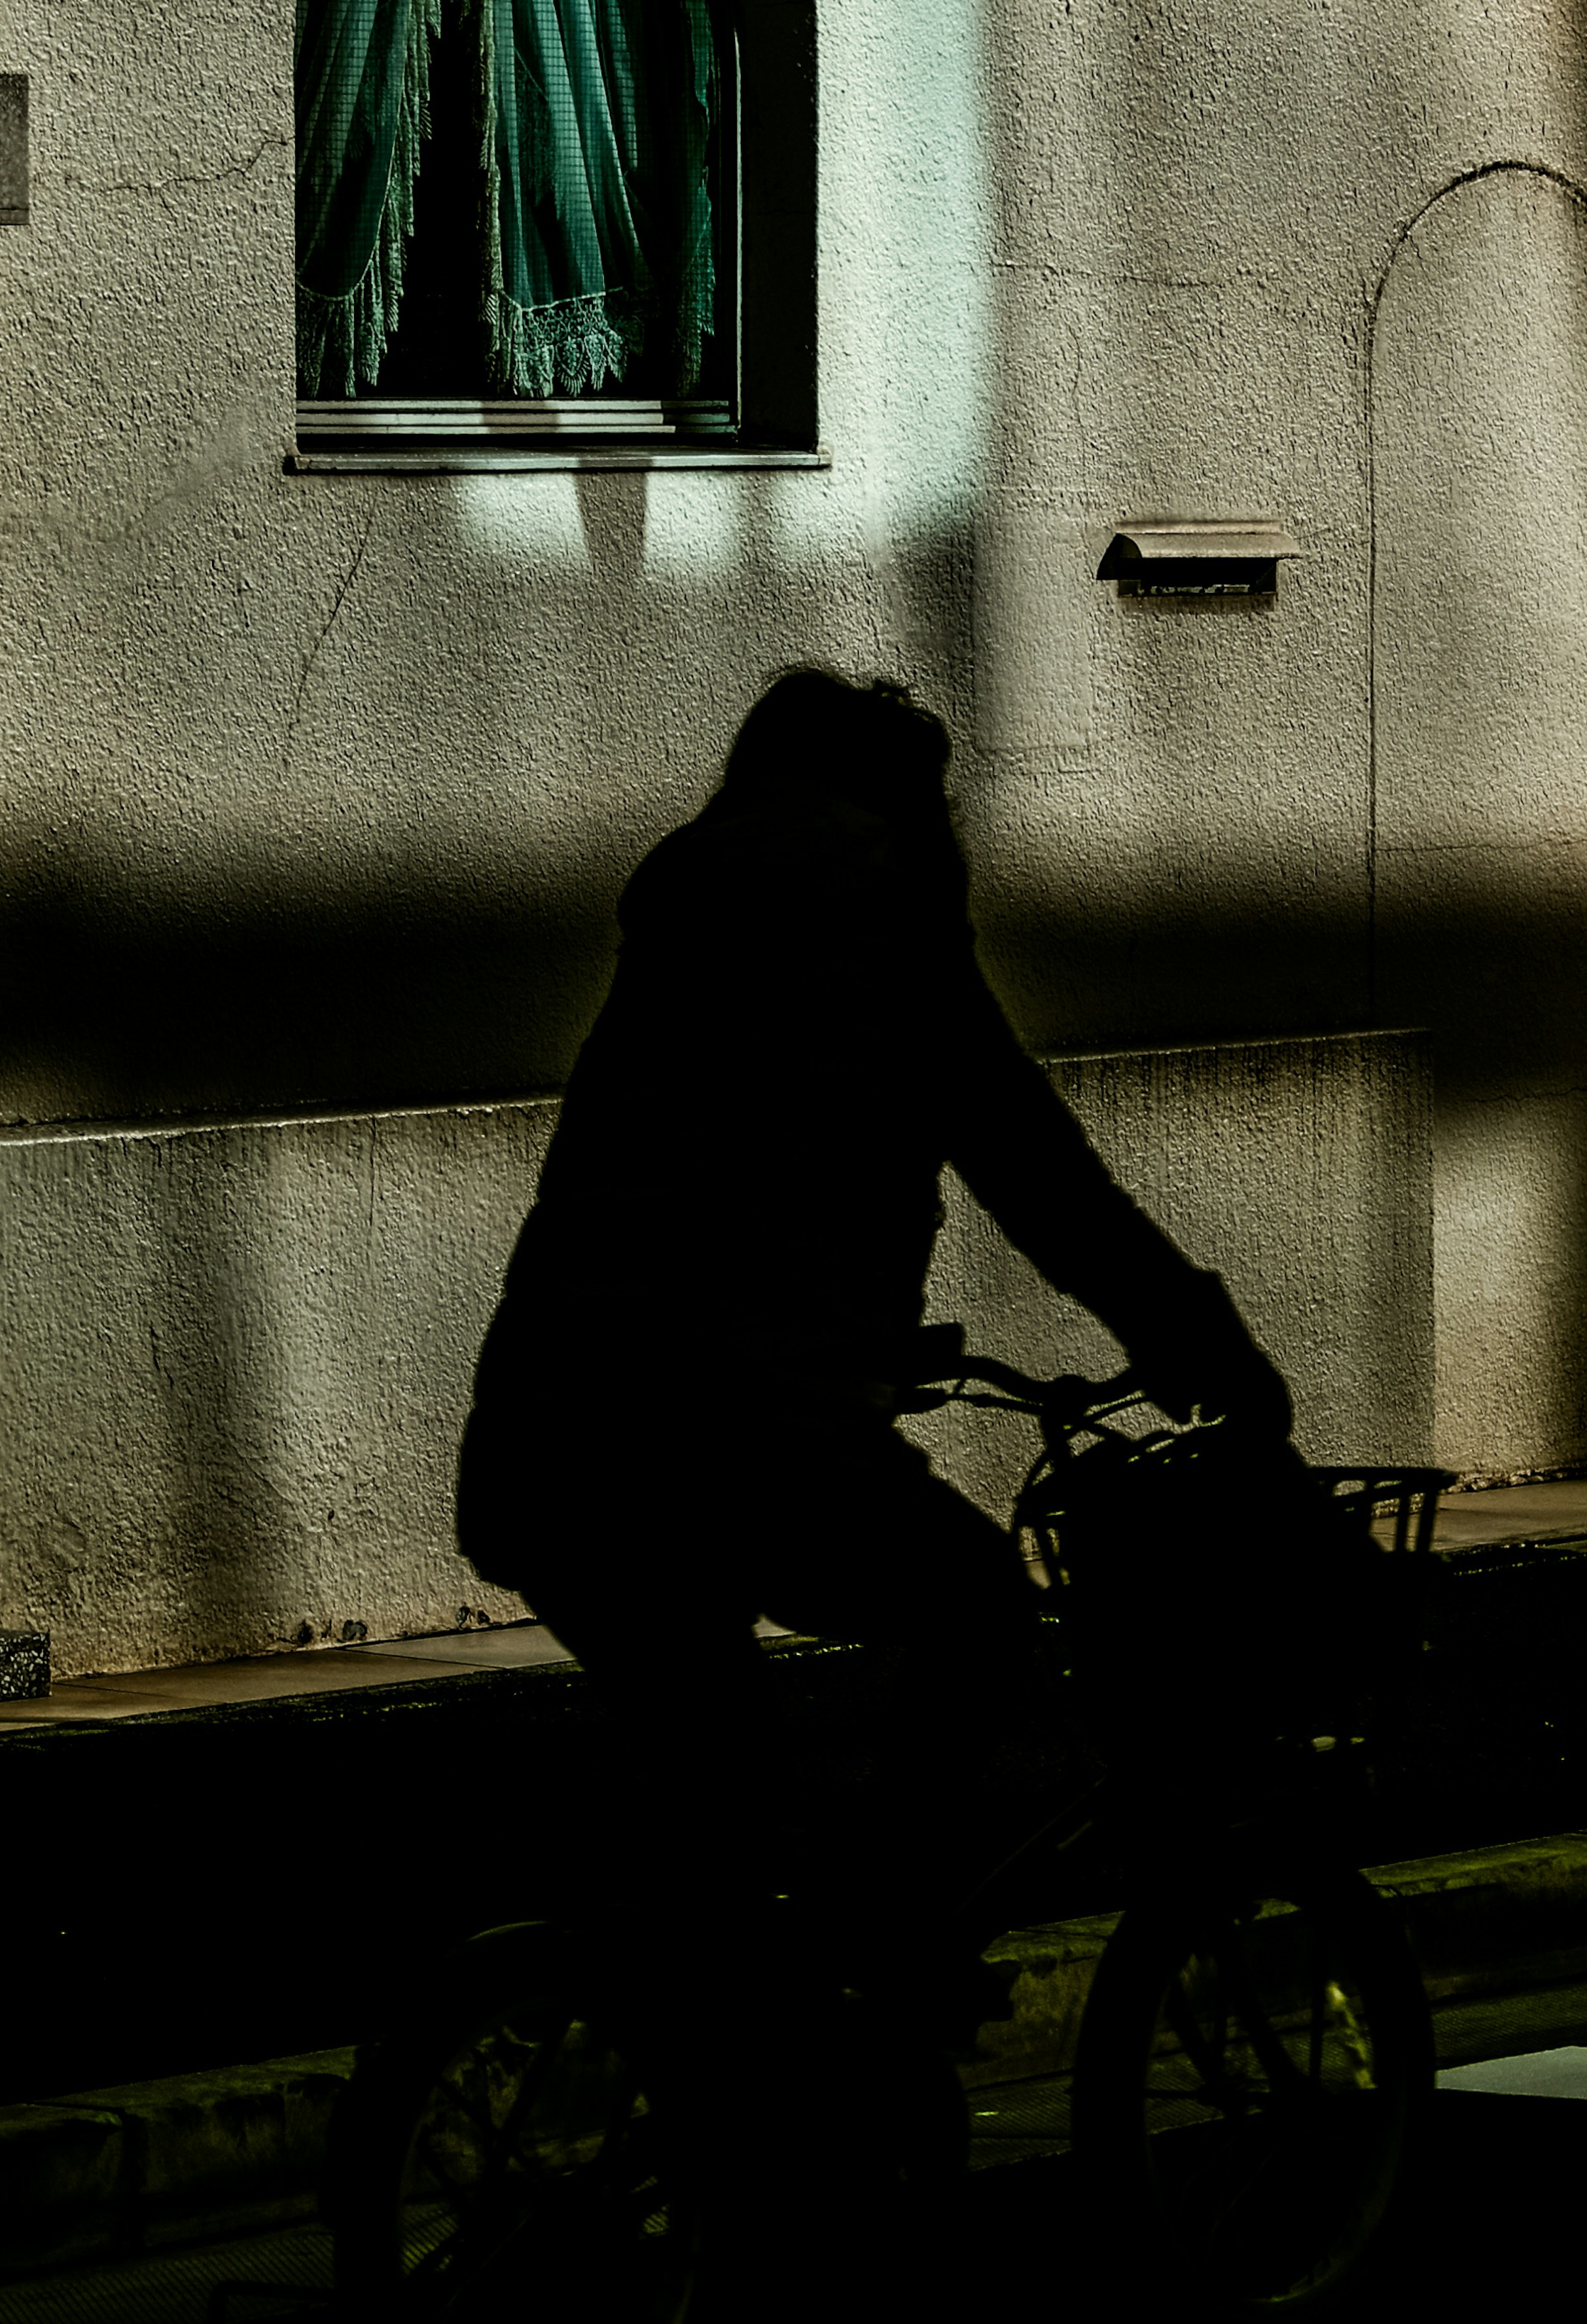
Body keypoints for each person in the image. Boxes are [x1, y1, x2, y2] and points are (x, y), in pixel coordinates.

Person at [455, 670, 1294, 1970]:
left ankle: (734, 2086)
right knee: (977, 1603)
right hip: (731, 1443)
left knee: (714, 1800)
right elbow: (1034, 1165)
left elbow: (694, 1209)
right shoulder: (880, 909)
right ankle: (898, 1950)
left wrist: (846, 1340)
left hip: (547, 1444)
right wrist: (1199, 1337)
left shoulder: (683, 925)